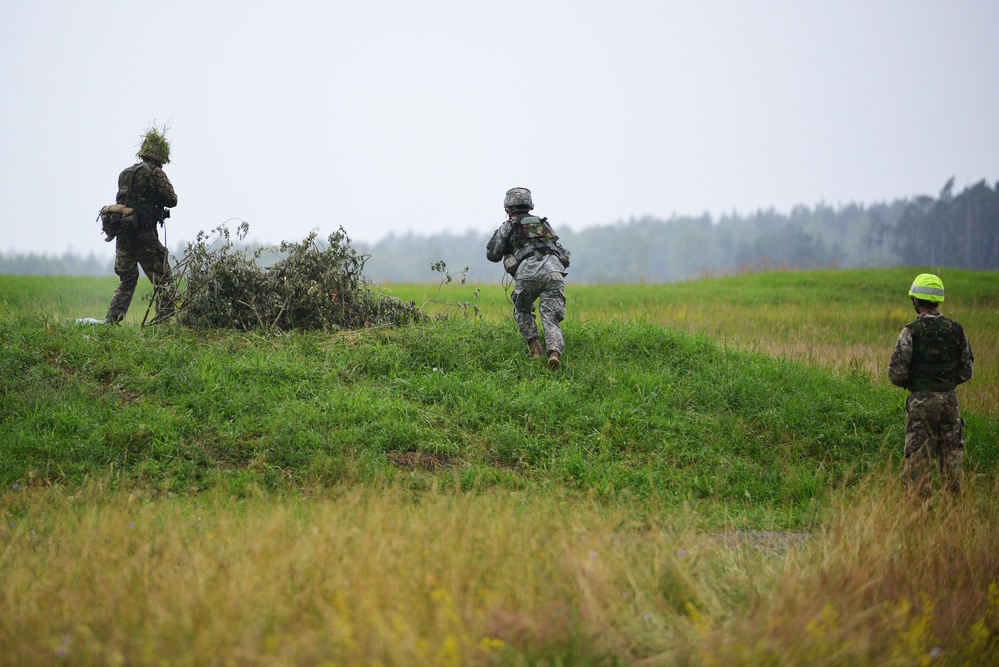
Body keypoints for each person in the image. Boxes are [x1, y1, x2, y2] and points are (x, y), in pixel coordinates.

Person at [888, 273, 974, 496]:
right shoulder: (956, 329)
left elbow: (896, 374)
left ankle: (919, 514)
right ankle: (953, 513)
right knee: (952, 458)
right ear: (938, 300)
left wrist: (920, 384)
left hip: (921, 404)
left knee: (918, 459)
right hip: (950, 402)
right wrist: (945, 382)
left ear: (915, 301)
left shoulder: (910, 332)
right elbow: (967, 371)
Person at [486, 187, 570, 369]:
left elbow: (493, 255)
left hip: (528, 272)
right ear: (529, 204)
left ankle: (534, 347)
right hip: (554, 271)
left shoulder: (508, 226)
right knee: (551, 317)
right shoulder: (543, 223)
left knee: (522, 309)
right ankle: (554, 353)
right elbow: (561, 251)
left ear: (508, 207)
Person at [104, 126, 178, 324]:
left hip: (124, 234)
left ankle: (111, 321)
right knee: (164, 281)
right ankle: (164, 323)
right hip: (145, 235)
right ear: (161, 155)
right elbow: (172, 200)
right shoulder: (156, 173)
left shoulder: (125, 173)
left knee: (127, 281)